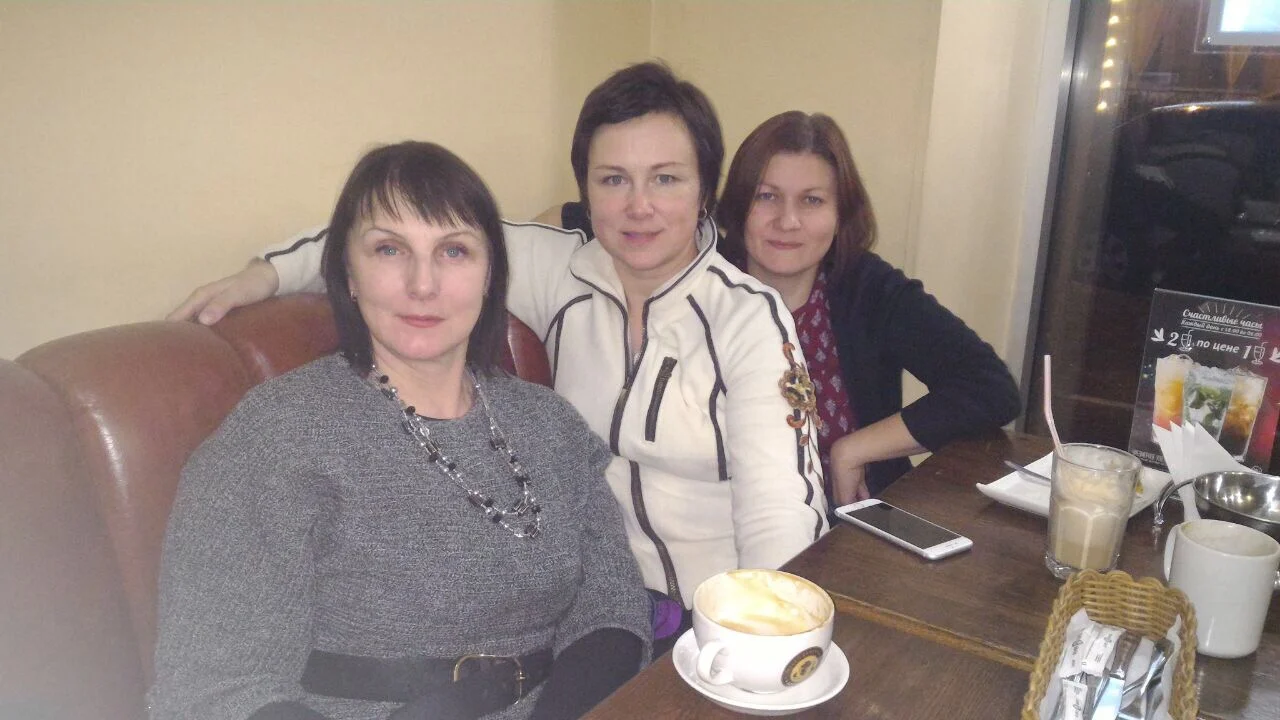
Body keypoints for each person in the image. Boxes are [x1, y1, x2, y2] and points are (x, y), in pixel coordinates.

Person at [168, 64, 829, 643]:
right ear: (585, 189)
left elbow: (780, 513)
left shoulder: (748, 318)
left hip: (712, 619)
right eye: (613, 179)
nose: (639, 206)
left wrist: (761, 645)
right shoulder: (559, 271)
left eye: (666, 179)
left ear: (705, 190)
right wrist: (263, 276)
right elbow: (398, 232)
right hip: (587, 607)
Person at [149, 142, 652, 720]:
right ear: (348, 273)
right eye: (389, 249)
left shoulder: (550, 423)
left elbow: (611, 606)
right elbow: (216, 686)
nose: (423, 284)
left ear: (490, 275)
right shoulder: (276, 436)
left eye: (454, 251)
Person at [716, 111, 1021, 505]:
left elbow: (990, 387)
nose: (787, 221)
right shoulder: (698, 290)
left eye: (812, 200)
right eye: (766, 196)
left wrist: (855, 448)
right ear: (739, 204)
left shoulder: (867, 287)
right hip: (723, 525)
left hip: (849, 525)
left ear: (840, 214)